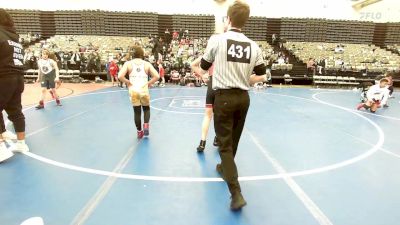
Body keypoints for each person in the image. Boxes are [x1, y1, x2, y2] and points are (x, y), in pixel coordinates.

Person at [191, 1, 267, 210]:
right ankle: (225, 168)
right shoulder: (254, 46)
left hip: (223, 96)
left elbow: (205, 67)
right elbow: (262, 74)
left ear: (228, 19)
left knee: (224, 144)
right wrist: (245, 79)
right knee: (233, 141)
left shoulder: (218, 40)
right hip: (243, 98)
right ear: (246, 20)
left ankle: (236, 193)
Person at [0, 8, 30, 162]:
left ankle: (1, 150)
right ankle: (21, 143)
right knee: (16, 111)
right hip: (18, 77)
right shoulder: (14, 36)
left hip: (4, 76)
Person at [118, 45, 159, 139]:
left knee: (137, 112)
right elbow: (157, 76)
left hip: (133, 90)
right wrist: (149, 83)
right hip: (144, 89)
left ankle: (139, 131)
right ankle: (146, 125)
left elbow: (120, 76)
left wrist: (128, 82)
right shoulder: (146, 64)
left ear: (133, 54)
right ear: (142, 54)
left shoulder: (128, 64)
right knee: (146, 109)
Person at [191, 58, 219, 152]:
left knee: (207, 116)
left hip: (212, 86)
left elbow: (193, 64)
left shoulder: (211, 56)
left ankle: (202, 143)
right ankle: (217, 138)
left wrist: (205, 55)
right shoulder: (225, 54)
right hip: (223, 86)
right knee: (219, 115)